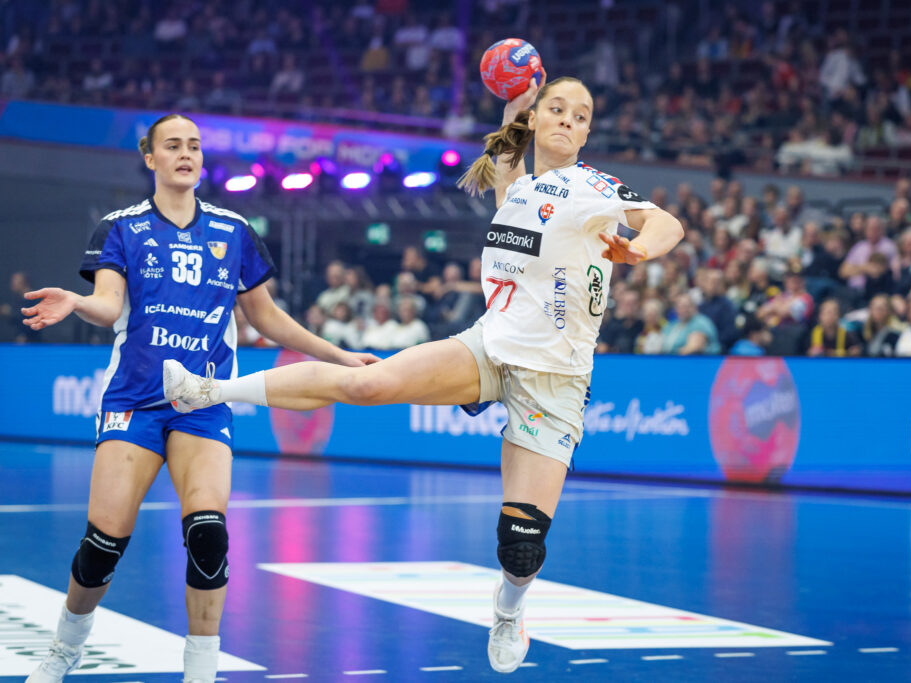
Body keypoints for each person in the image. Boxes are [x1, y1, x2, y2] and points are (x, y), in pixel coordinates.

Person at [162, 76, 684, 674]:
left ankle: (509, 609)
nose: (568, 120)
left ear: (587, 133)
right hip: (489, 347)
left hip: (556, 379)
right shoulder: (518, 188)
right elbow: (509, 160)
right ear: (538, 121)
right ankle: (206, 390)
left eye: (581, 115)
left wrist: (639, 250)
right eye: (557, 109)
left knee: (520, 547)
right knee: (367, 383)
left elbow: (666, 223)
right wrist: (514, 107)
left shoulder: (593, 186)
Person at [20, 114, 377, 683]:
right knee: (102, 545)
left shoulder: (233, 231)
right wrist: (77, 301)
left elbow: (266, 317)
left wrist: (338, 355)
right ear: (150, 158)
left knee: (208, 535)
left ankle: (201, 671)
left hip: (204, 403)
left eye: (193, 145)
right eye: (173, 146)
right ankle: (65, 649)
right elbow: (109, 305)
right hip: (135, 401)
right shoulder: (121, 227)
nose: (186, 153)